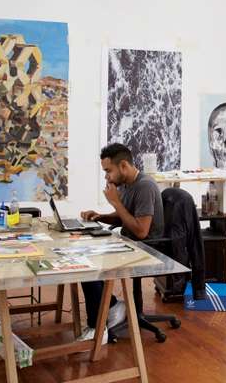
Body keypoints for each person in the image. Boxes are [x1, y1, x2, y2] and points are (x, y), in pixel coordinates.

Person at [77, 143, 164, 342]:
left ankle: (97, 327)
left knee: (89, 266)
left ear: (123, 165)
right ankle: (112, 306)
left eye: (108, 171)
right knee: (84, 257)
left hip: (147, 249)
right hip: (130, 243)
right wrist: (100, 216)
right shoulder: (126, 185)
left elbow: (141, 231)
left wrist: (115, 202)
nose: (107, 176)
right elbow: (124, 217)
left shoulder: (145, 186)